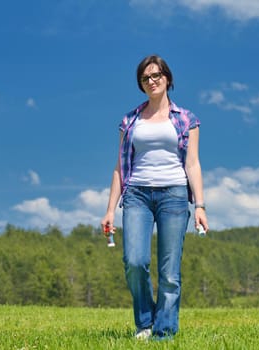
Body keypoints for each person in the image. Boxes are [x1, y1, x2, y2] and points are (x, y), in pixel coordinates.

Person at [101, 54, 208, 340]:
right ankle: (145, 323)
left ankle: (164, 333)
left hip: (173, 195)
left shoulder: (186, 119)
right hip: (136, 195)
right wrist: (110, 210)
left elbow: (193, 164)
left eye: (156, 75)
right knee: (135, 261)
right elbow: (119, 168)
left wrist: (200, 205)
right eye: (145, 78)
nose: (151, 81)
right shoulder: (130, 120)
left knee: (169, 271)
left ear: (167, 78)